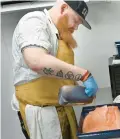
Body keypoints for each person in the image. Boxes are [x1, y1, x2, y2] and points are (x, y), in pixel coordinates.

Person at [11, 0, 98, 139]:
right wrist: (84, 75)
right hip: (42, 117)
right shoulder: (34, 21)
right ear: (63, 8)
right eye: (76, 21)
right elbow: (36, 61)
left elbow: (58, 75)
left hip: (62, 111)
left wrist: (76, 92)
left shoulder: (59, 35)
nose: (76, 27)